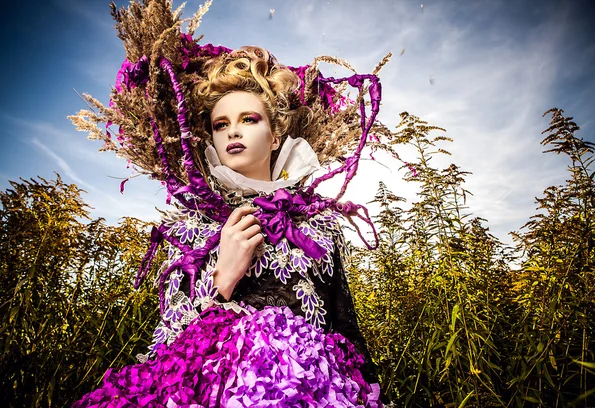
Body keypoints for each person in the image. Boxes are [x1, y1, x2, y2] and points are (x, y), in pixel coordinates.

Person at [70, 1, 394, 406]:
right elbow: (167, 344)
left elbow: (346, 331)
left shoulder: (318, 227)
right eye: (220, 124)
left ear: (276, 136)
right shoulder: (192, 226)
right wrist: (222, 275)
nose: (232, 132)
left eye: (249, 119)